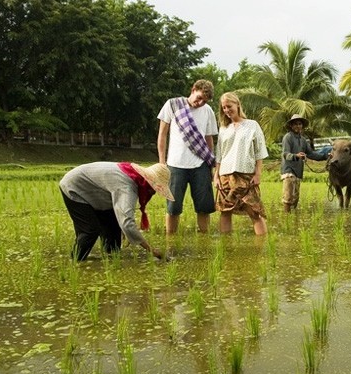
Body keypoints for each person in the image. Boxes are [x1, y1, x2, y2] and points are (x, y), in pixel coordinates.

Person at [59, 162, 174, 261]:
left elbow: (121, 213)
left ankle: (109, 259)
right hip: (75, 187)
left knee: (113, 233)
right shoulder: (127, 186)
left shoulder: (133, 175)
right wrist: (151, 250)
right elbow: (127, 224)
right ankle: (75, 261)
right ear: (148, 183)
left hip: (98, 193)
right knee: (90, 230)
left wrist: (125, 231)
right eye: (154, 189)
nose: (153, 193)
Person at [156, 79, 218, 234]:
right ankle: (171, 240)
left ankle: (205, 240)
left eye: (204, 101)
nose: (200, 103)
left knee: (204, 208)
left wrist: (211, 165)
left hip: (200, 165)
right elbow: (162, 135)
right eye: (199, 98)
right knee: (173, 208)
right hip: (176, 165)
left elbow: (209, 139)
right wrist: (162, 163)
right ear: (193, 89)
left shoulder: (208, 111)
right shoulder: (173, 104)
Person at [213, 92, 268, 235]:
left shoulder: (252, 125)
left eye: (229, 106)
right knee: (225, 212)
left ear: (237, 105)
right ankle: (227, 247)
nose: (226, 110)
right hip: (225, 174)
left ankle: (263, 245)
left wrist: (258, 173)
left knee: (254, 212)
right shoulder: (224, 128)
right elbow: (219, 153)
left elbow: (259, 151)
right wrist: (216, 176)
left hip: (246, 175)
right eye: (223, 108)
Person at [281, 114, 329, 212]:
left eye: (300, 124)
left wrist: (326, 156)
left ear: (302, 126)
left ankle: (292, 218)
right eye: (295, 124)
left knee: (296, 198)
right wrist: (296, 156)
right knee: (288, 196)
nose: (298, 126)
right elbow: (285, 154)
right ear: (291, 126)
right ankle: (286, 218)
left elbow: (311, 154)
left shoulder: (303, 140)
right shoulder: (288, 137)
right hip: (289, 170)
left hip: (298, 171)